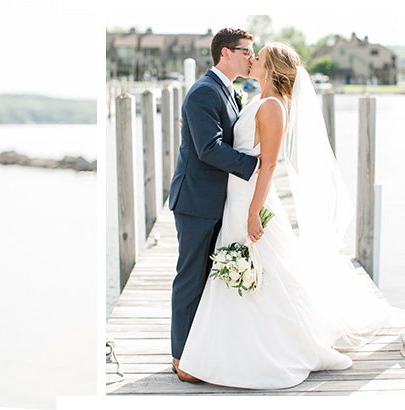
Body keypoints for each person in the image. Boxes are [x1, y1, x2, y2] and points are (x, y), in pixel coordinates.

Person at [178, 42, 405, 389]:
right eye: (250, 54)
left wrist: (254, 212)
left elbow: (268, 165)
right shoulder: (253, 99)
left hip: (250, 201)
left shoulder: (273, 107)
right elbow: (226, 136)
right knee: (249, 272)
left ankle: (260, 348)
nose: (253, 60)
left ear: (270, 69)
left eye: (260, 57)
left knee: (265, 272)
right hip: (235, 199)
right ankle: (223, 347)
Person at [166, 28, 261, 382]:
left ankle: (200, 352)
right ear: (225, 53)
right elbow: (208, 149)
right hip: (196, 200)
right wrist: (254, 166)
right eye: (246, 51)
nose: (251, 58)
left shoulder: (230, 90)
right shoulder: (204, 92)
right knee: (191, 279)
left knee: (209, 279)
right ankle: (180, 359)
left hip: (218, 200)